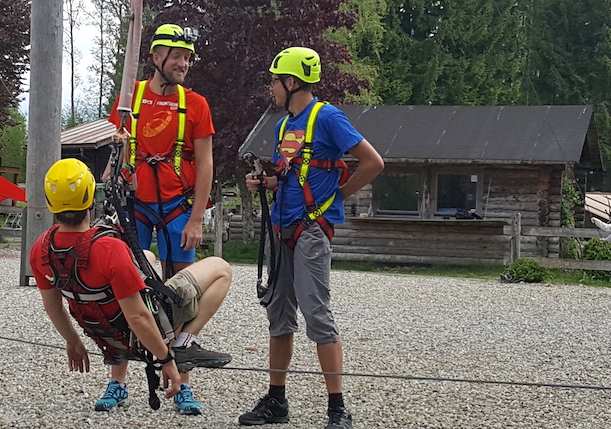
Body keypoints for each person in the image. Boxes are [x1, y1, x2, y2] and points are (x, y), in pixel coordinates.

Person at [239, 47, 384, 429]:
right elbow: (292, 175)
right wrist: (264, 182)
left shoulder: (328, 117)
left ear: (291, 82)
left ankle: (338, 409)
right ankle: (276, 400)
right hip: (281, 228)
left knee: (317, 313)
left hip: (310, 230)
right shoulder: (283, 126)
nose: (270, 88)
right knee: (278, 315)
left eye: (274, 81)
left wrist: (338, 196)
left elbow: (373, 162)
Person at [30, 158, 232, 415]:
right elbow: (137, 316)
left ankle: (118, 381)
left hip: (105, 332)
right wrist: (165, 359)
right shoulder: (108, 248)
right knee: (221, 268)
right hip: (147, 328)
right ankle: (183, 342)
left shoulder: (41, 248)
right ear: (91, 198)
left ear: (50, 203)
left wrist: (73, 341)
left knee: (146, 257)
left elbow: (53, 306)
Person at [102, 23, 217, 410]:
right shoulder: (128, 98)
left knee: (180, 295)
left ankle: (181, 384)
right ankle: (117, 381)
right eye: (178, 56)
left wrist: (197, 218)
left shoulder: (196, 104)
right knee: (123, 290)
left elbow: (205, 164)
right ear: (156, 58)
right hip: (134, 207)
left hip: (177, 210)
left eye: (188, 57)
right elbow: (116, 149)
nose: (185, 63)